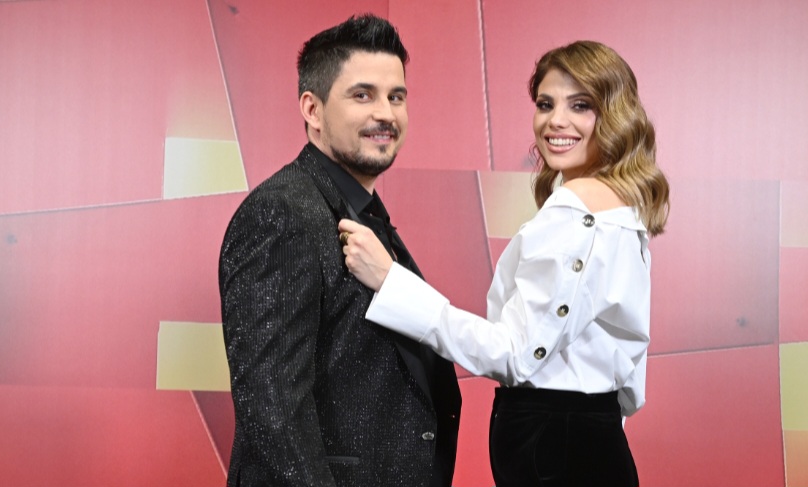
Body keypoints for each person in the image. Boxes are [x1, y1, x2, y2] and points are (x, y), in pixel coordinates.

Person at [339, 40, 669, 487]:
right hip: (584, 435)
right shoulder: (621, 209)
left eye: (580, 105)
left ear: (615, 115)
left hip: (557, 442)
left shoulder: (580, 211)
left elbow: (514, 354)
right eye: (545, 104)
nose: (556, 121)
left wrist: (390, 283)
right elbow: (626, 370)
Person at [218, 14, 461, 487]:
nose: (385, 114)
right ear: (313, 109)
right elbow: (272, 408)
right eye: (362, 95)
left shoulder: (362, 212)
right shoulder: (281, 213)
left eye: (396, 97)